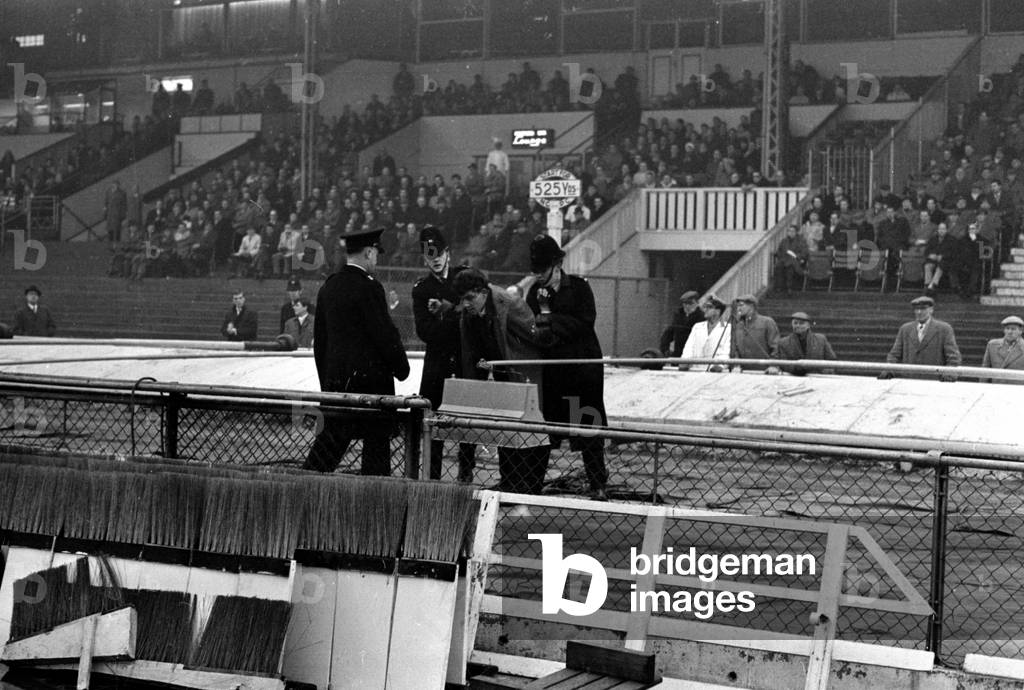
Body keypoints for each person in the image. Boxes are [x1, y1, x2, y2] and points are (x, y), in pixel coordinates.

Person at [305, 226, 410, 476]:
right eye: (376, 254)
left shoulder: (329, 286)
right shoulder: (370, 287)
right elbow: (384, 334)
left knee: (326, 451)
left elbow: (320, 342)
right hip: (371, 390)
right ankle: (375, 504)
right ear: (370, 253)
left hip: (337, 386)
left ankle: (302, 488)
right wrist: (401, 368)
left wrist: (327, 384)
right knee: (376, 453)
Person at [525, 235, 608, 500]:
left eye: (542, 271)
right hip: (553, 374)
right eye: (534, 271)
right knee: (546, 431)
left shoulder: (580, 288)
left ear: (556, 264)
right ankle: (533, 485)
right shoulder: (532, 293)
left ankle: (598, 484)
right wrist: (546, 323)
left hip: (583, 373)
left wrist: (549, 318)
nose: (538, 276)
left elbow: (585, 322)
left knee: (590, 430)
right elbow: (532, 327)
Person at [454, 268, 550, 494]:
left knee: (526, 430)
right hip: (501, 373)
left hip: (522, 373)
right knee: (505, 429)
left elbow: (536, 334)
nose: (466, 304)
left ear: (482, 292)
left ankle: (527, 486)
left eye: (470, 298)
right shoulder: (469, 314)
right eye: (462, 299)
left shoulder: (507, 303)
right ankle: (509, 481)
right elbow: (472, 353)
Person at [411, 226, 475, 481]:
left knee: (467, 425)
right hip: (437, 367)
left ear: (448, 253)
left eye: (439, 254)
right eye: (430, 256)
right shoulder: (422, 289)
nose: (435, 259)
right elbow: (426, 332)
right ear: (424, 258)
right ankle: (432, 476)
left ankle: (465, 475)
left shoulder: (464, 278)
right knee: (433, 426)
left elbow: (474, 318)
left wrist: (446, 313)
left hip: (463, 362)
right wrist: (456, 317)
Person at [883, 296, 962, 375]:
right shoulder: (905, 329)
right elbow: (894, 355)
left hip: (933, 382)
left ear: (931, 310)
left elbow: (953, 357)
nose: (919, 312)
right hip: (908, 381)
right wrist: (889, 371)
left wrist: (948, 376)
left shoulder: (944, 329)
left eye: (923, 309)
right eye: (916, 309)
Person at [730, 294, 780, 373]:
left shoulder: (767, 322)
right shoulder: (738, 325)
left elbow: (776, 346)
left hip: (765, 371)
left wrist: (773, 365)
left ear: (751, 306)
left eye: (741, 305)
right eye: (738, 306)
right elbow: (735, 348)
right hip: (743, 372)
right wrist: (736, 365)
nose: (738, 308)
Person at [680, 296, 731, 371]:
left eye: (709, 307)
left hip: (715, 371)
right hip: (695, 369)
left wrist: (720, 365)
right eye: (705, 307)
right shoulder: (697, 327)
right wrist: (684, 361)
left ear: (718, 311)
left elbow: (727, 351)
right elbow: (689, 347)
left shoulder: (728, 328)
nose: (705, 310)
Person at [660, 291, 704, 358]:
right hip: (678, 352)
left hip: (694, 353)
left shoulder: (702, 317)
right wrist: (665, 349)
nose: (687, 306)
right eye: (685, 303)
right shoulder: (678, 315)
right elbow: (669, 333)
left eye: (690, 303)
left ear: (697, 303)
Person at [981, 315, 1024, 380]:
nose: (1010, 332)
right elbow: (985, 369)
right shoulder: (992, 345)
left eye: (1013, 329)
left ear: (1021, 331)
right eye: (1007, 328)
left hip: (1018, 388)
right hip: (997, 387)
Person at [775, 225, 808, 294]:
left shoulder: (801, 241)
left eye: (793, 231)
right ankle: (779, 287)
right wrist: (781, 256)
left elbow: (804, 252)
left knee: (790, 267)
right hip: (784, 259)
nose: (791, 233)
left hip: (796, 260)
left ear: (796, 232)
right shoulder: (784, 241)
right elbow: (779, 251)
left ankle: (789, 287)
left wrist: (796, 256)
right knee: (778, 266)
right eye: (789, 231)